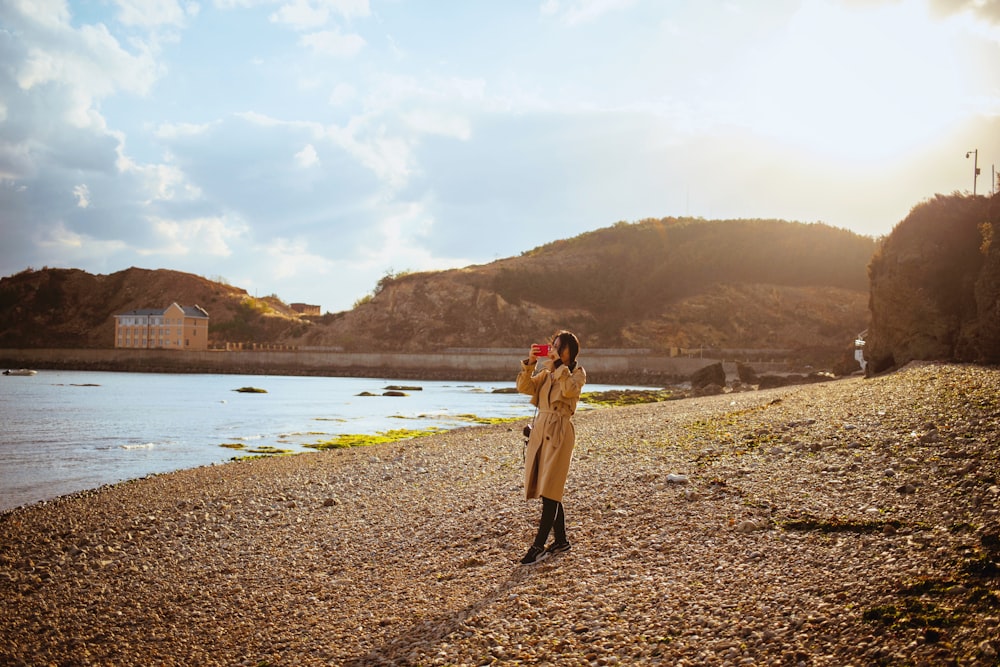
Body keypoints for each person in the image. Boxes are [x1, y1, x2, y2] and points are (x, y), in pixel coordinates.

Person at [515, 330, 586, 565]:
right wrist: (531, 364)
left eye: (559, 346)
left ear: (570, 351)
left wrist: (558, 366)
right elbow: (524, 387)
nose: (555, 349)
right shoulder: (545, 375)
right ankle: (562, 541)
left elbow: (569, 391)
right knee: (549, 488)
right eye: (553, 345)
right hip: (541, 430)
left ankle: (538, 546)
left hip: (559, 431)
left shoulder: (577, 373)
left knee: (550, 489)